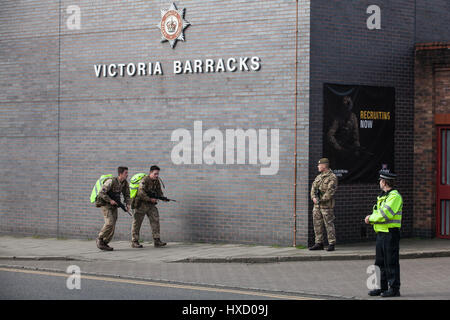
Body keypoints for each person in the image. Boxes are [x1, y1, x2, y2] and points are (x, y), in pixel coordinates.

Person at [365, 171, 403, 297]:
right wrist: (373, 218)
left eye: (381, 180)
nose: (379, 182)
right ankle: (381, 287)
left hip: (390, 234)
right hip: (381, 233)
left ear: (385, 182)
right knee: (379, 262)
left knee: (390, 262)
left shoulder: (394, 196)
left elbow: (385, 215)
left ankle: (394, 289)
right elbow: (379, 213)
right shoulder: (383, 196)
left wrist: (370, 218)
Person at [131, 165, 167, 248]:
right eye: (155, 174)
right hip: (141, 205)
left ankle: (157, 240)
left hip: (151, 205)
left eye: (158, 174)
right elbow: (140, 193)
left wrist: (162, 198)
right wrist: (150, 199)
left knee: (155, 220)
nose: (157, 175)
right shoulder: (144, 180)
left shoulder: (157, 181)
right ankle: (135, 241)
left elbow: (159, 192)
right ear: (150, 173)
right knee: (137, 223)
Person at [95, 166, 131, 251]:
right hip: (106, 204)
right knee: (109, 223)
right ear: (120, 174)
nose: (127, 175)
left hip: (114, 205)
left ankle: (105, 242)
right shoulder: (110, 181)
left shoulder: (125, 183)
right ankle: (99, 238)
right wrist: (110, 200)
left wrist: (128, 204)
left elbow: (127, 195)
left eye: (127, 173)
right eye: (126, 173)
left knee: (113, 225)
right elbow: (101, 193)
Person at [309, 158, 338, 251]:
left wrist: (320, 200)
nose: (318, 166)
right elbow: (313, 188)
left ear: (324, 166)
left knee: (328, 224)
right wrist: (313, 197)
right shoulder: (318, 177)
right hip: (317, 206)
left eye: (319, 165)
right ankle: (319, 243)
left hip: (326, 206)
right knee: (317, 224)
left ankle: (331, 243)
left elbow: (330, 192)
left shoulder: (332, 177)